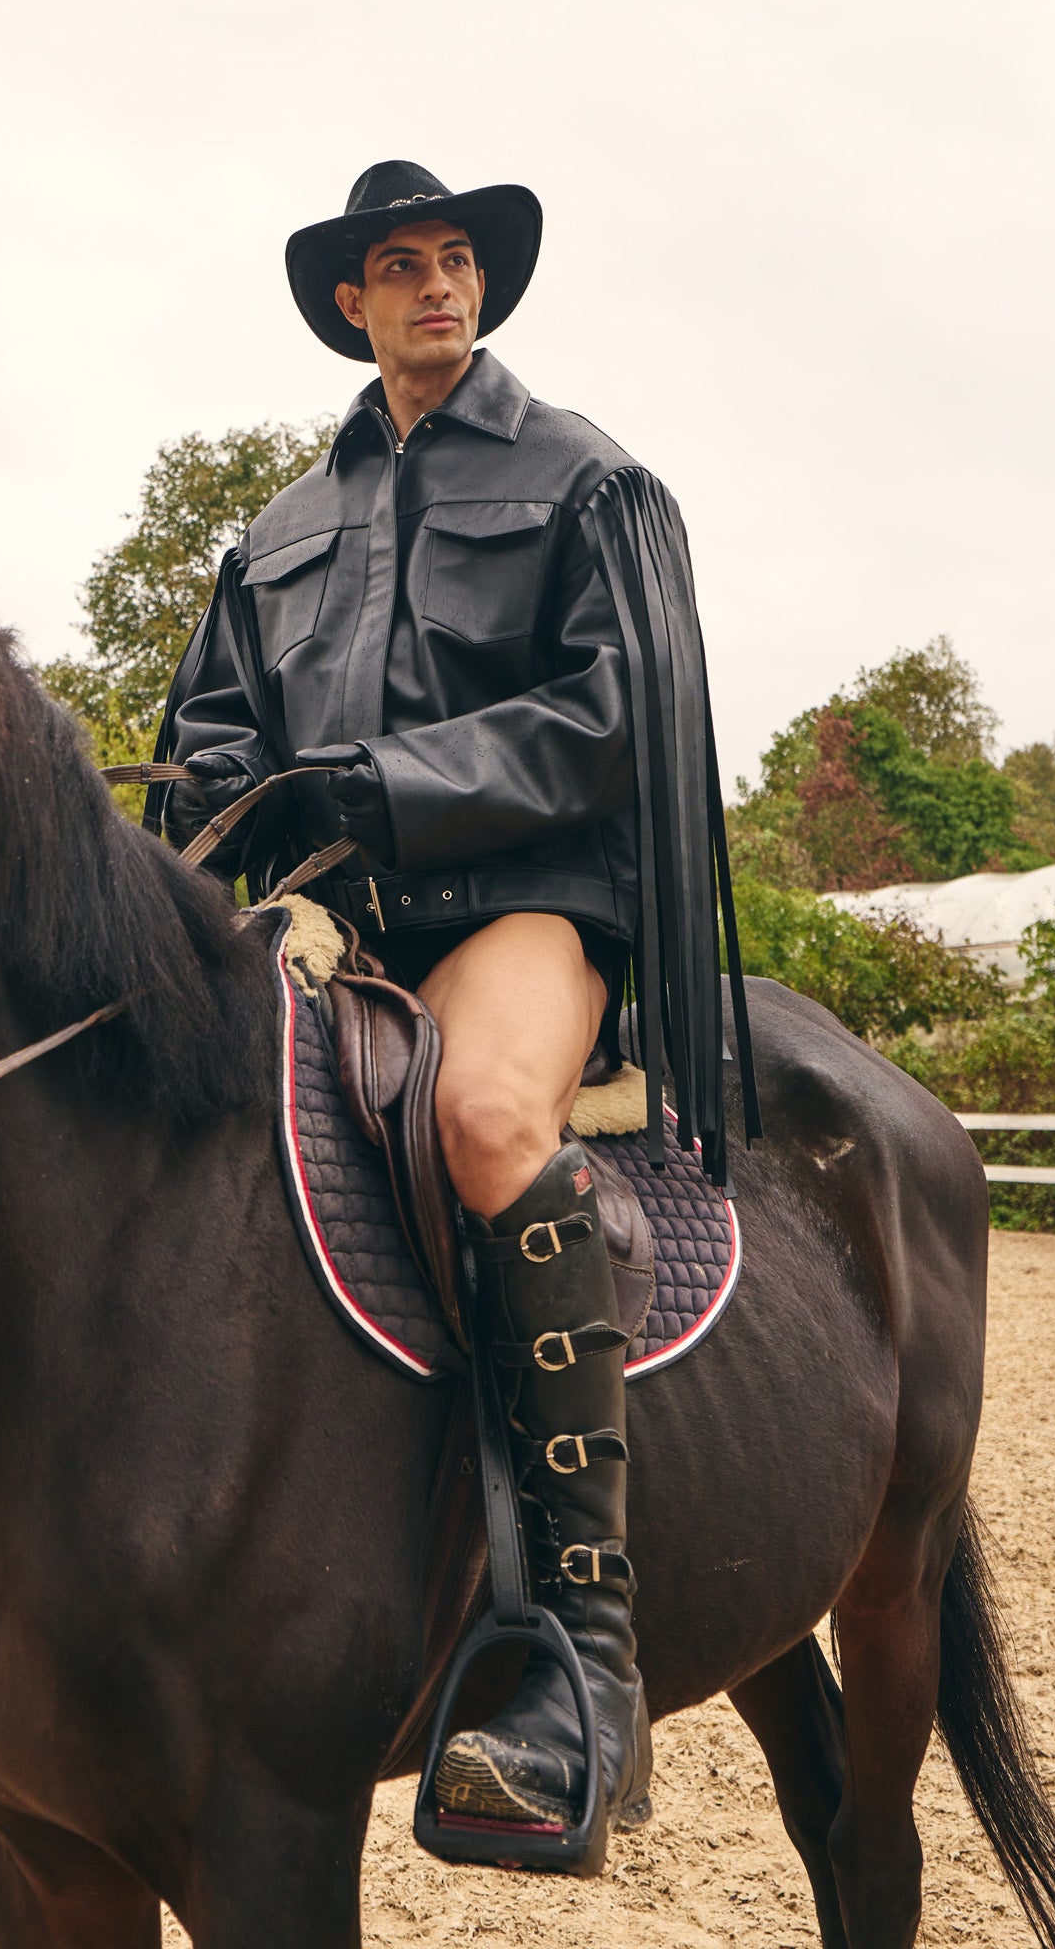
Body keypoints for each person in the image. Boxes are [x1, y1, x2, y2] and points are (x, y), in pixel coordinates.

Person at [148, 161, 751, 1859]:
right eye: (402, 266)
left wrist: (391, 785)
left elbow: (621, 713)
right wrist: (231, 801)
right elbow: (210, 728)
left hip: (521, 907)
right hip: (328, 922)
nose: (436, 287)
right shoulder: (279, 530)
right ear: (353, 303)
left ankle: (587, 1661)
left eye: (458, 260)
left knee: (487, 1121)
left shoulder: (584, 478)